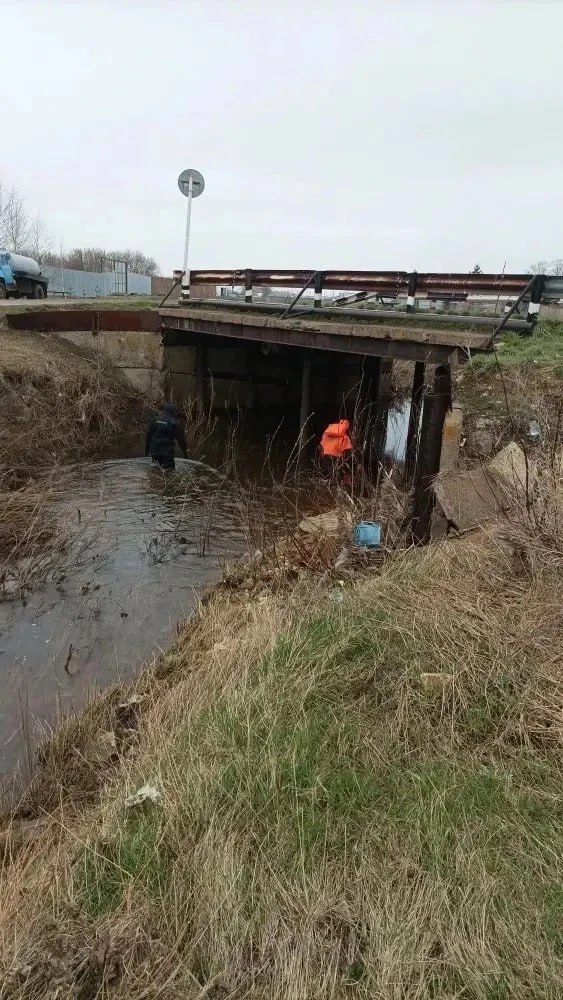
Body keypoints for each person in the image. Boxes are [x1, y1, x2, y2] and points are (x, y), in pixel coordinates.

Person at [145, 403, 187, 470]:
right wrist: (185, 454)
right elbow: (181, 440)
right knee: (168, 472)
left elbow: (148, 436)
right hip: (167, 453)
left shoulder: (155, 420)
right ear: (173, 412)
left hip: (154, 451)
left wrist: (146, 451)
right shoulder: (175, 423)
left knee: (156, 470)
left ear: (165, 411)